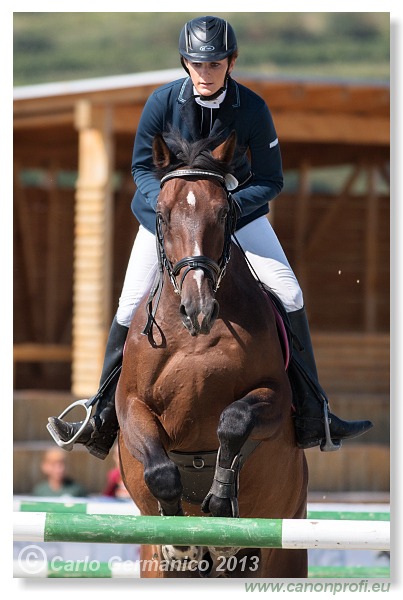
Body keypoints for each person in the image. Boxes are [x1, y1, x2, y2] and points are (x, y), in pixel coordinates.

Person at [48, 15, 372, 459]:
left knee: (290, 292)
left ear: (231, 62)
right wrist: (169, 205)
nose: (205, 73)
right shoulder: (161, 103)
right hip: (168, 221)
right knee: (128, 303)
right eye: (198, 64)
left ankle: (313, 411)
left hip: (235, 213)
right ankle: (102, 412)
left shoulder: (253, 108)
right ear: (185, 62)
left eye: (215, 64)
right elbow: (142, 167)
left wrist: (231, 208)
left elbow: (271, 179)